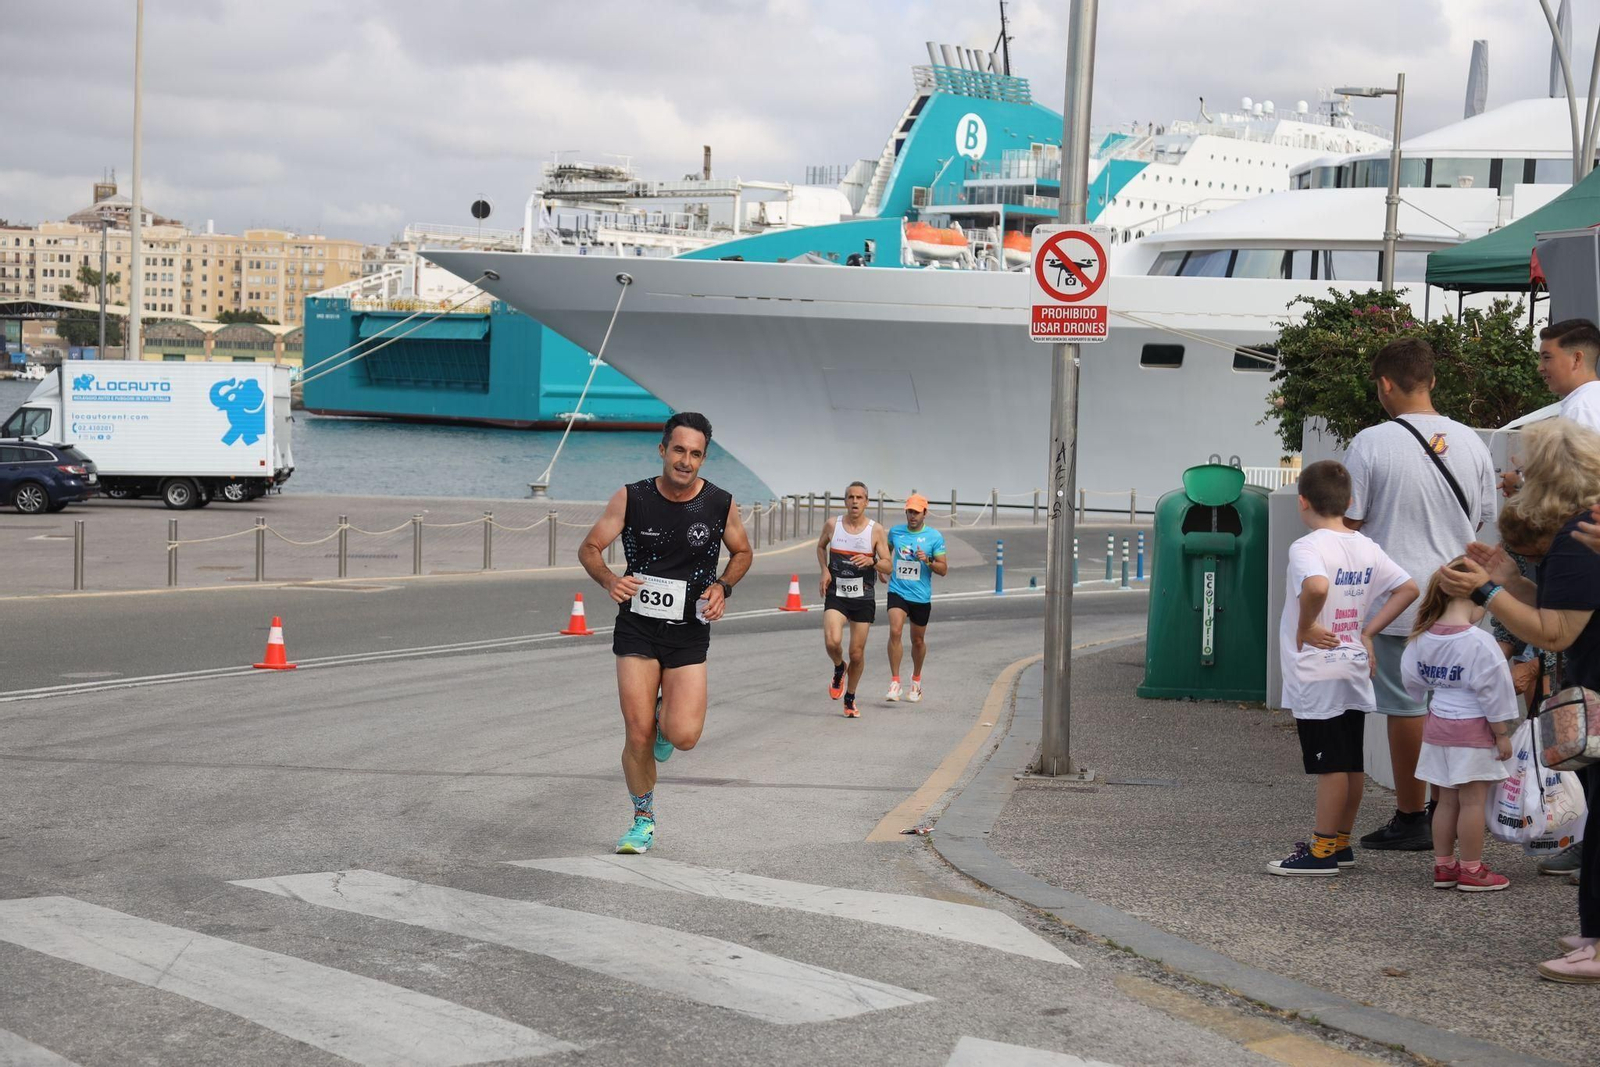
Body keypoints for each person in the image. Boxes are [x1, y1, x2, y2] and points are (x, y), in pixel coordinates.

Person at [1436, 419, 1600, 981]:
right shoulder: (1583, 529)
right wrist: (1507, 578)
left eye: (1526, 471)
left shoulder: (1580, 535)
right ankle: (1594, 933)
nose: (1517, 478)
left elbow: (1554, 632)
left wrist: (1485, 591)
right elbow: (1565, 609)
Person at [1342, 338, 1495, 853]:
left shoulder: (1370, 442)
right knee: (1455, 702)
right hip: (1461, 595)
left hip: (1398, 599)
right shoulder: (1472, 442)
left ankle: (1412, 815)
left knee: (1406, 706)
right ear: (1430, 380)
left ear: (1386, 383)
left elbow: (1351, 520)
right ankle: (1450, 807)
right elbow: (1477, 520)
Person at [578, 412, 753, 854]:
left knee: (685, 736)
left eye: (695, 454)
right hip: (637, 627)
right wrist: (609, 580)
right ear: (662, 449)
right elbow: (590, 547)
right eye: (679, 450)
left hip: (689, 632)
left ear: (703, 458)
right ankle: (642, 819)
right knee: (635, 734)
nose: (686, 461)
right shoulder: (632, 497)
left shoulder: (719, 503)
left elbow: (743, 551)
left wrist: (723, 585)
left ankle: (664, 719)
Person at [1268, 461, 1419, 877]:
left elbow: (1315, 587)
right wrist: (1368, 632)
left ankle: (1321, 852)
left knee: (1330, 764)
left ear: (1302, 502)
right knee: (1351, 761)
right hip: (1353, 662)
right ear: (1349, 501)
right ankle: (1341, 843)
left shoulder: (1308, 546)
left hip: (1318, 670)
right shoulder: (1365, 545)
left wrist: (1306, 625)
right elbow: (1409, 588)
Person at [1400, 561, 1518, 893]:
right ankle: (1471, 869)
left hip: (1437, 728)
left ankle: (1444, 867)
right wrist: (1502, 734)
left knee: (1445, 800)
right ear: (1476, 599)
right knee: (1472, 802)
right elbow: (1495, 694)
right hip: (1474, 732)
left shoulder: (1421, 638)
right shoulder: (1480, 643)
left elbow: (1412, 683)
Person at [817, 481, 888, 718]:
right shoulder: (832, 525)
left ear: (866, 502)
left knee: (857, 653)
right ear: (845, 501)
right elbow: (820, 547)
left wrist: (874, 562)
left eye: (859, 498)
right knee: (831, 642)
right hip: (837, 593)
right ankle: (839, 667)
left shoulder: (875, 530)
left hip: (863, 596)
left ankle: (850, 697)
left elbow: (888, 565)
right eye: (850, 497)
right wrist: (825, 570)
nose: (855, 501)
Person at [878, 493, 948, 703]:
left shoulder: (934, 537)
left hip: (920, 595)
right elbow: (885, 553)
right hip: (897, 590)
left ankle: (916, 680)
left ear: (925, 513)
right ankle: (895, 682)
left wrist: (926, 560)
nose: (912, 516)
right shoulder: (896, 532)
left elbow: (943, 569)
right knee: (895, 630)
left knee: (917, 641)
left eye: (917, 512)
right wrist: (882, 568)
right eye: (910, 511)